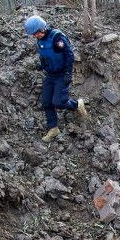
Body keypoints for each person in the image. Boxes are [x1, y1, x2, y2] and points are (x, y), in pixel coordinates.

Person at [23, 14, 87, 143]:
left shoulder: (57, 38)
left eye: (36, 33)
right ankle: (53, 128)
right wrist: (42, 65)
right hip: (51, 75)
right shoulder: (40, 40)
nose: (35, 36)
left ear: (42, 28)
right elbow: (46, 55)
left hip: (62, 74)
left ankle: (77, 105)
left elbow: (69, 55)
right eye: (34, 35)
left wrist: (68, 74)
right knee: (46, 102)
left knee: (59, 102)